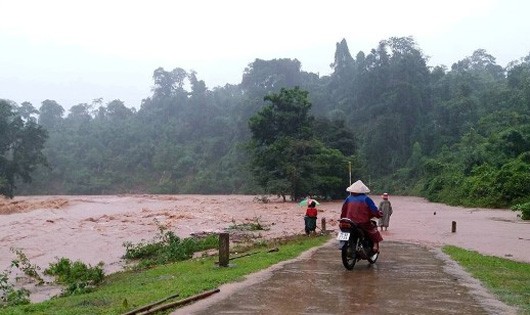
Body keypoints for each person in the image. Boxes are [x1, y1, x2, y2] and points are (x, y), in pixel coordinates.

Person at [340, 180, 383, 253]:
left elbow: (343, 210)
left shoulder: (348, 198)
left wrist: (343, 219)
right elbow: (374, 210)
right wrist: (379, 214)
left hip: (348, 222)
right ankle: (375, 245)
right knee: (373, 229)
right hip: (362, 223)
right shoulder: (366, 199)